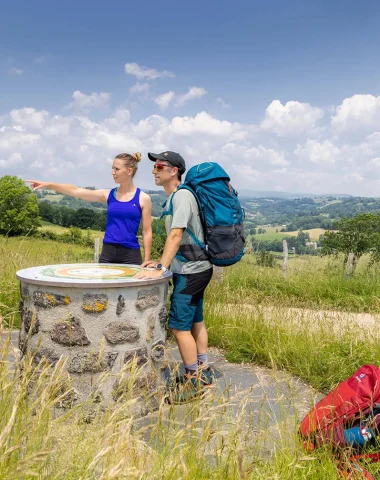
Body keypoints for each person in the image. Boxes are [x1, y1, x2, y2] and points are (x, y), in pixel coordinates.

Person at [135, 151, 214, 404]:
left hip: (189, 273)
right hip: (198, 268)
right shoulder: (177, 197)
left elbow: (176, 235)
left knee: (178, 327)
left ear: (174, 171)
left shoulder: (181, 197)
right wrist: (161, 262)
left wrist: (162, 268)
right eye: (154, 166)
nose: (154, 170)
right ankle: (203, 370)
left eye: (159, 166)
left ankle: (194, 381)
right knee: (195, 321)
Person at [26, 152, 152, 265]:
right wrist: (48, 185)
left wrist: (146, 260)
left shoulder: (143, 198)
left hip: (131, 255)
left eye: (117, 169)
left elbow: (146, 232)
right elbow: (75, 191)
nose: (112, 172)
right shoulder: (108, 195)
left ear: (129, 171)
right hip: (107, 253)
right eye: (112, 168)